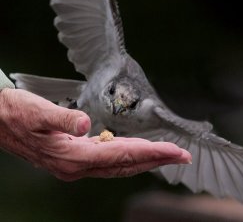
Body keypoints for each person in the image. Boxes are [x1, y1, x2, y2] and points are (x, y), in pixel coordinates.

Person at [0, 69, 191, 181]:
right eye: (113, 94)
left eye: (130, 105)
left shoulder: (150, 112)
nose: (117, 107)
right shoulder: (109, 71)